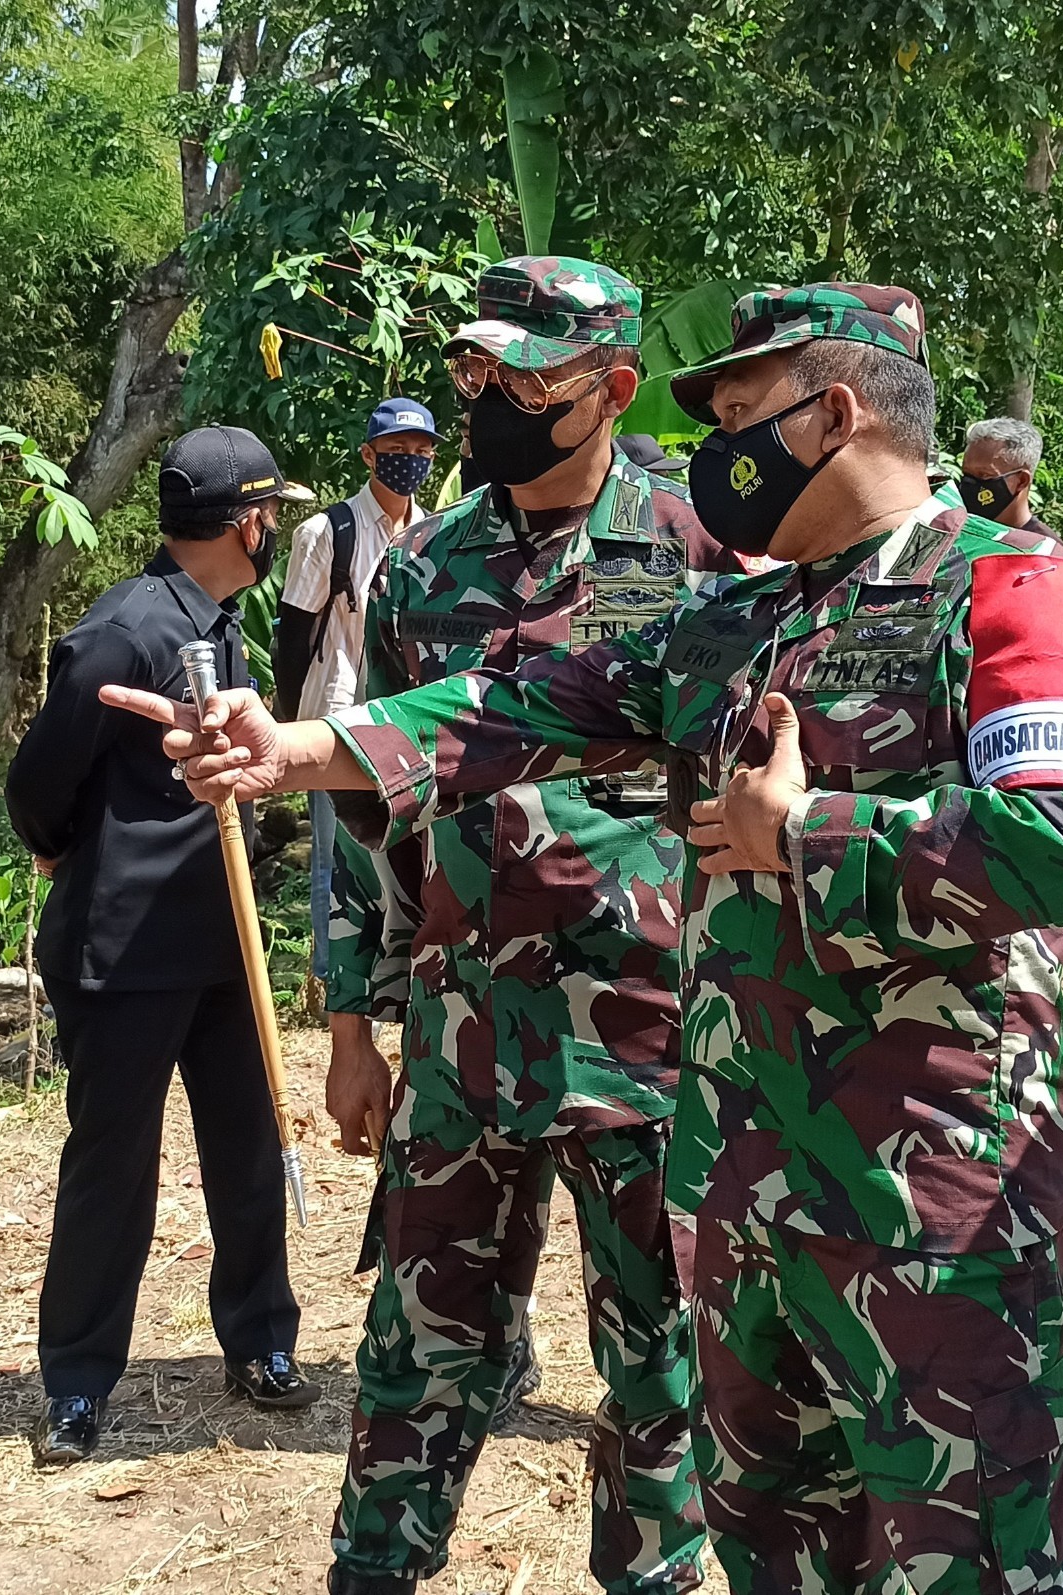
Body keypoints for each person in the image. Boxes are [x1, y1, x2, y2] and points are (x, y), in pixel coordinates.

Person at [111, 282, 1063, 1595]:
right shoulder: (727, 626)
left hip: (927, 1206)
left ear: (830, 413)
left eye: (737, 414)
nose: (716, 445)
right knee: (777, 1544)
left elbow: (1057, 843)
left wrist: (810, 833)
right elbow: (508, 707)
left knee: (975, 1562)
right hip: (741, 1195)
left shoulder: (1013, 587)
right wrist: (299, 748)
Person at [321, 255, 730, 1595]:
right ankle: (376, 1564)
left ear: (607, 388)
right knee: (420, 1344)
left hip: (650, 1039)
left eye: (518, 372)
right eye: (469, 371)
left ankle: (653, 1572)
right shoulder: (419, 573)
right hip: (460, 1036)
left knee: (660, 1346)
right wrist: (353, 1019)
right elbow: (368, 813)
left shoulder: (699, 545)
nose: (485, 395)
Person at [6, 425, 317, 1467]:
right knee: (113, 1167)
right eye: (273, 512)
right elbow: (39, 780)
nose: (275, 528)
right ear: (249, 521)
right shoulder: (130, 628)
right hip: (125, 945)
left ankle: (261, 1340)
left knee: (244, 1147)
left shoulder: (215, 623)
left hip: (216, 937)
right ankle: (80, 1382)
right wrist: (65, 848)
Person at [276, 397, 439, 1001]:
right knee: (335, 852)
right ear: (369, 454)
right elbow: (293, 632)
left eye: (422, 453)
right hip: (339, 715)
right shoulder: (326, 533)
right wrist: (287, 721)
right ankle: (331, 979)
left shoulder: (435, 533)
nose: (410, 463)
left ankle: (398, 972)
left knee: (405, 850)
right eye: (397, 452)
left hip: (405, 719)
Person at [956, 415, 1047, 534]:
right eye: (966, 474)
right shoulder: (956, 532)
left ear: (1022, 481)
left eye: (984, 475)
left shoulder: (1045, 549)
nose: (970, 483)